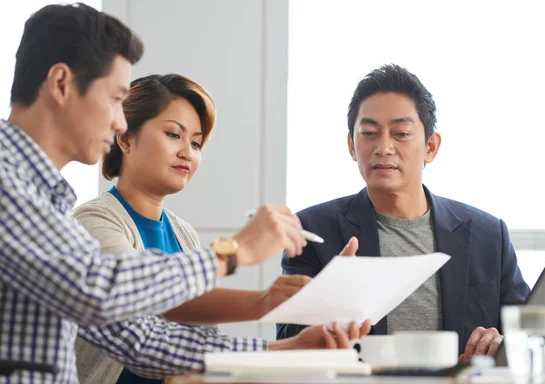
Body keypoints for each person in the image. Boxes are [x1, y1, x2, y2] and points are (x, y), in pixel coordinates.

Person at [0, 3, 357, 383]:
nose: (120, 120)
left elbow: (140, 339)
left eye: (197, 142)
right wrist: (233, 252)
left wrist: (289, 351)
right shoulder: (9, 184)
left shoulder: (47, 205)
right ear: (61, 84)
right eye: (115, 99)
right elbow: (100, 288)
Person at [73, 73, 371, 383]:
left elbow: (190, 324)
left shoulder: (182, 232)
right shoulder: (95, 221)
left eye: (196, 142)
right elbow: (144, 311)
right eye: (173, 134)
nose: (188, 152)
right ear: (125, 138)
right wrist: (250, 277)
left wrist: (282, 324)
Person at [277, 64, 531, 363]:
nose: (384, 147)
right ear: (351, 145)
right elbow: (288, 346)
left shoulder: (488, 234)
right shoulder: (312, 230)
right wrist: (334, 296)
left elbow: (531, 335)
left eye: (401, 133)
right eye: (369, 132)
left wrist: (504, 344)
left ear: (431, 147)